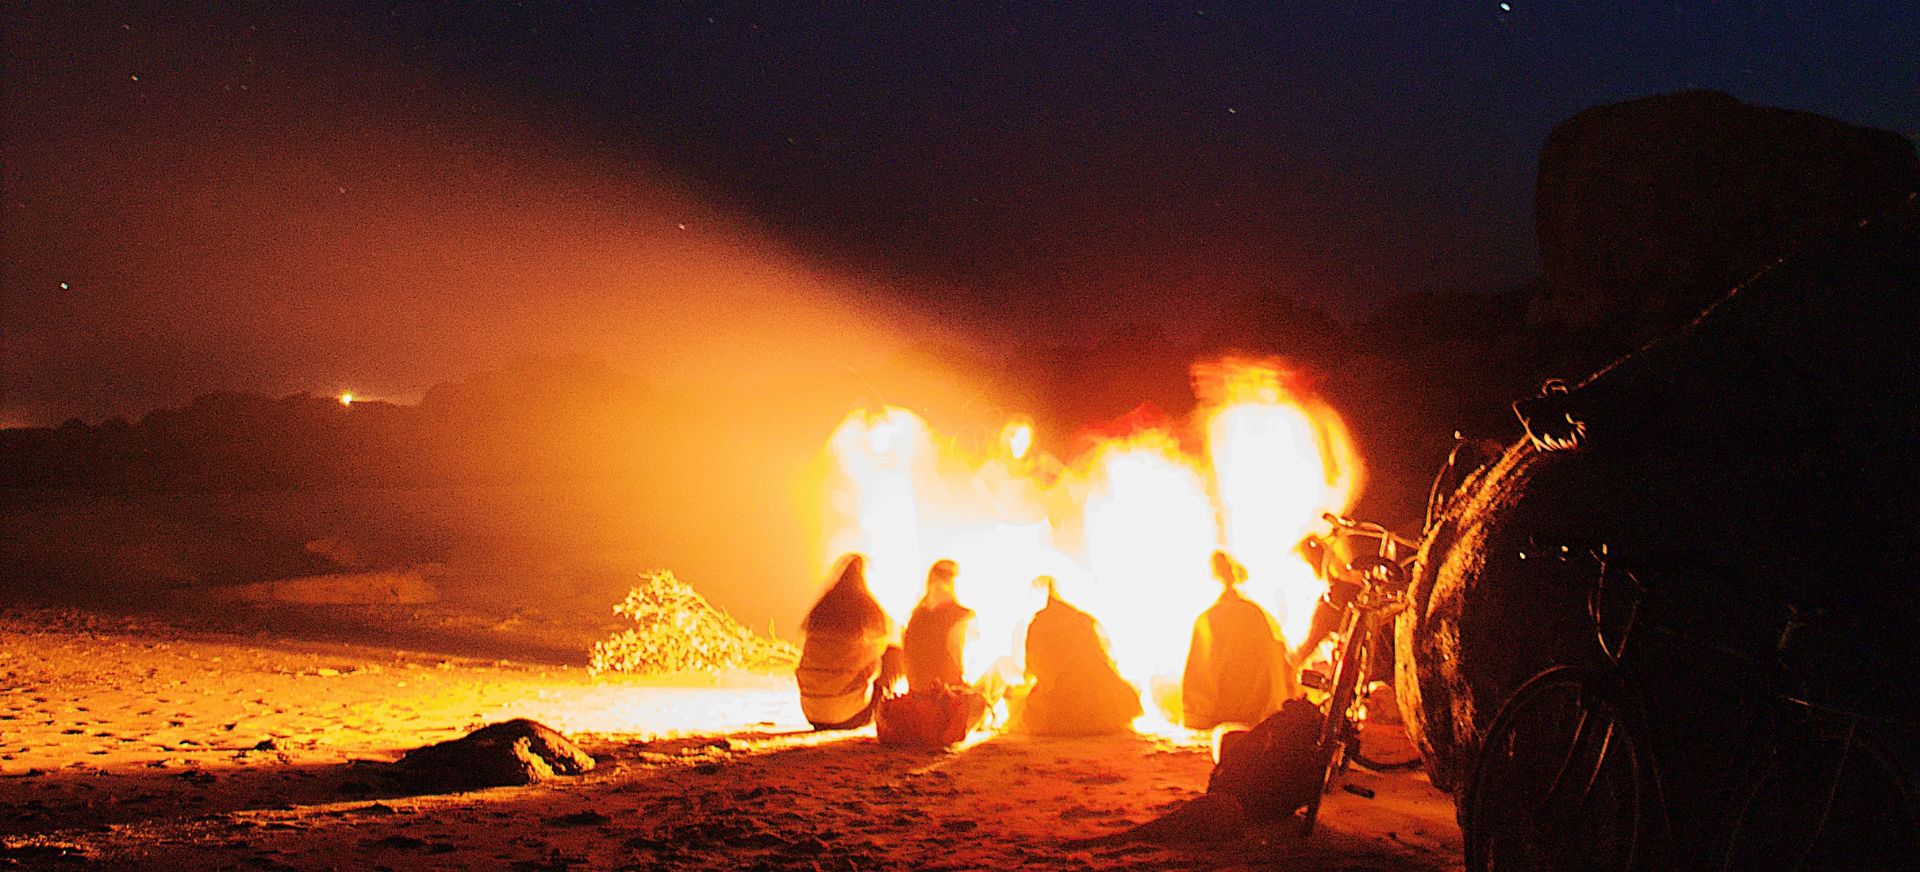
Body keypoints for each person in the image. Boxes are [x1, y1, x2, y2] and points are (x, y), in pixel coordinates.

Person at [1011, 576, 1142, 736]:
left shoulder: (1038, 625)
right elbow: (1110, 661)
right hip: (1106, 708)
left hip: (1058, 712)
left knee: (1020, 706)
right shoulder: (1085, 620)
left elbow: (1033, 669)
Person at [1181, 550, 1295, 731]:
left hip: (1229, 716)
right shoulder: (1257, 613)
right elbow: (1280, 660)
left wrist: (1196, 717)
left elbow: (1200, 671)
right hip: (1265, 711)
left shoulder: (1210, 618)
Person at [880, 559, 986, 743]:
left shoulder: (914, 616)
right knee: (990, 684)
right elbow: (966, 665)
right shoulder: (964, 616)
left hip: (916, 702)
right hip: (947, 707)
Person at [796, 555, 901, 730]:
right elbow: (891, 635)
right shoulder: (866, 609)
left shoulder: (820, 610)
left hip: (812, 715)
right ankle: (887, 710)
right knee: (895, 656)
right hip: (849, 718)